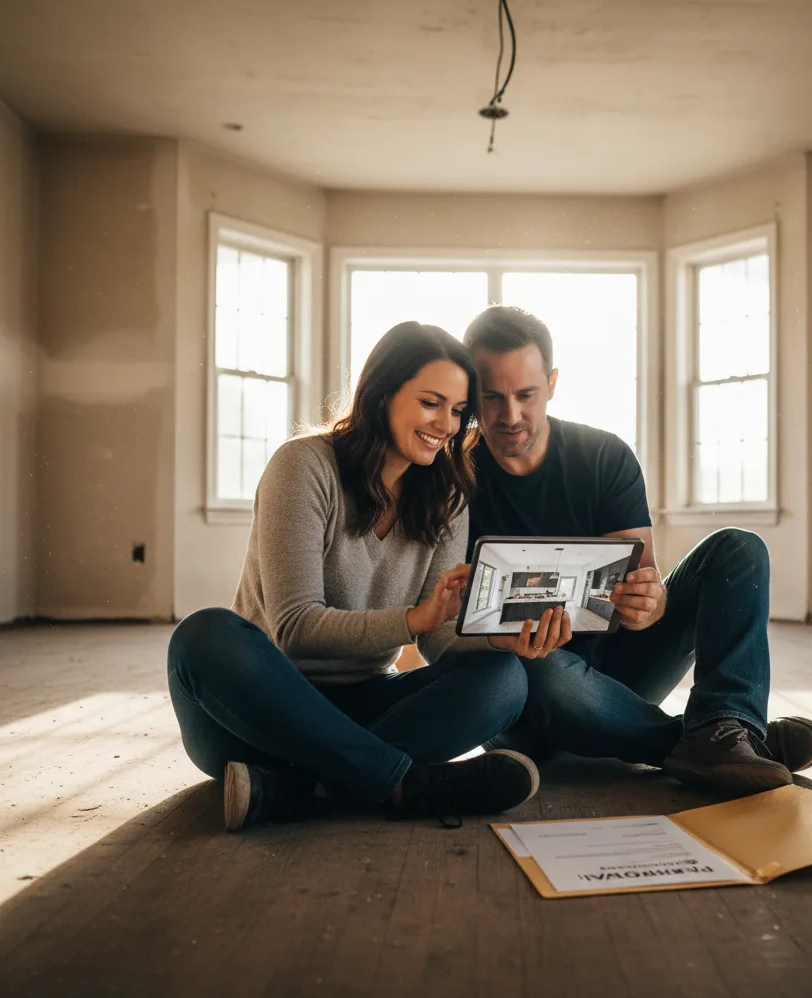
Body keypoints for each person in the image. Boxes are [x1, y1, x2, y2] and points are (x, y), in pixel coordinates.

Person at [167, 322, 539, 832]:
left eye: (457, 411)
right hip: (260, 711)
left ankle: (300, 791)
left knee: (505, 680)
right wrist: (411, 618)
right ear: (382, 394)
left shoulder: (447, 495)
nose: (447, 424)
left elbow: (437, 640)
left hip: (364, 705)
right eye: (431, 403)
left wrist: (501, 641)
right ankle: (405, 783)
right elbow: (295, 628)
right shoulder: (303, 466)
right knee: (202, 636)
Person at [455, 305, 812, 797]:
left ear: (552, 382)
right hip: (530, 691)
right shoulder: (451, 475)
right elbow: (447, 627)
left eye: (526, 395)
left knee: (739, 548)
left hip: (622, 670)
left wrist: (647, 605)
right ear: (470, 395)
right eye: (491, 398)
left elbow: (641, 607)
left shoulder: (603, 455)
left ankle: (725, 723)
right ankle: (724, 739)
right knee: (527, 667)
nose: (510, 416)